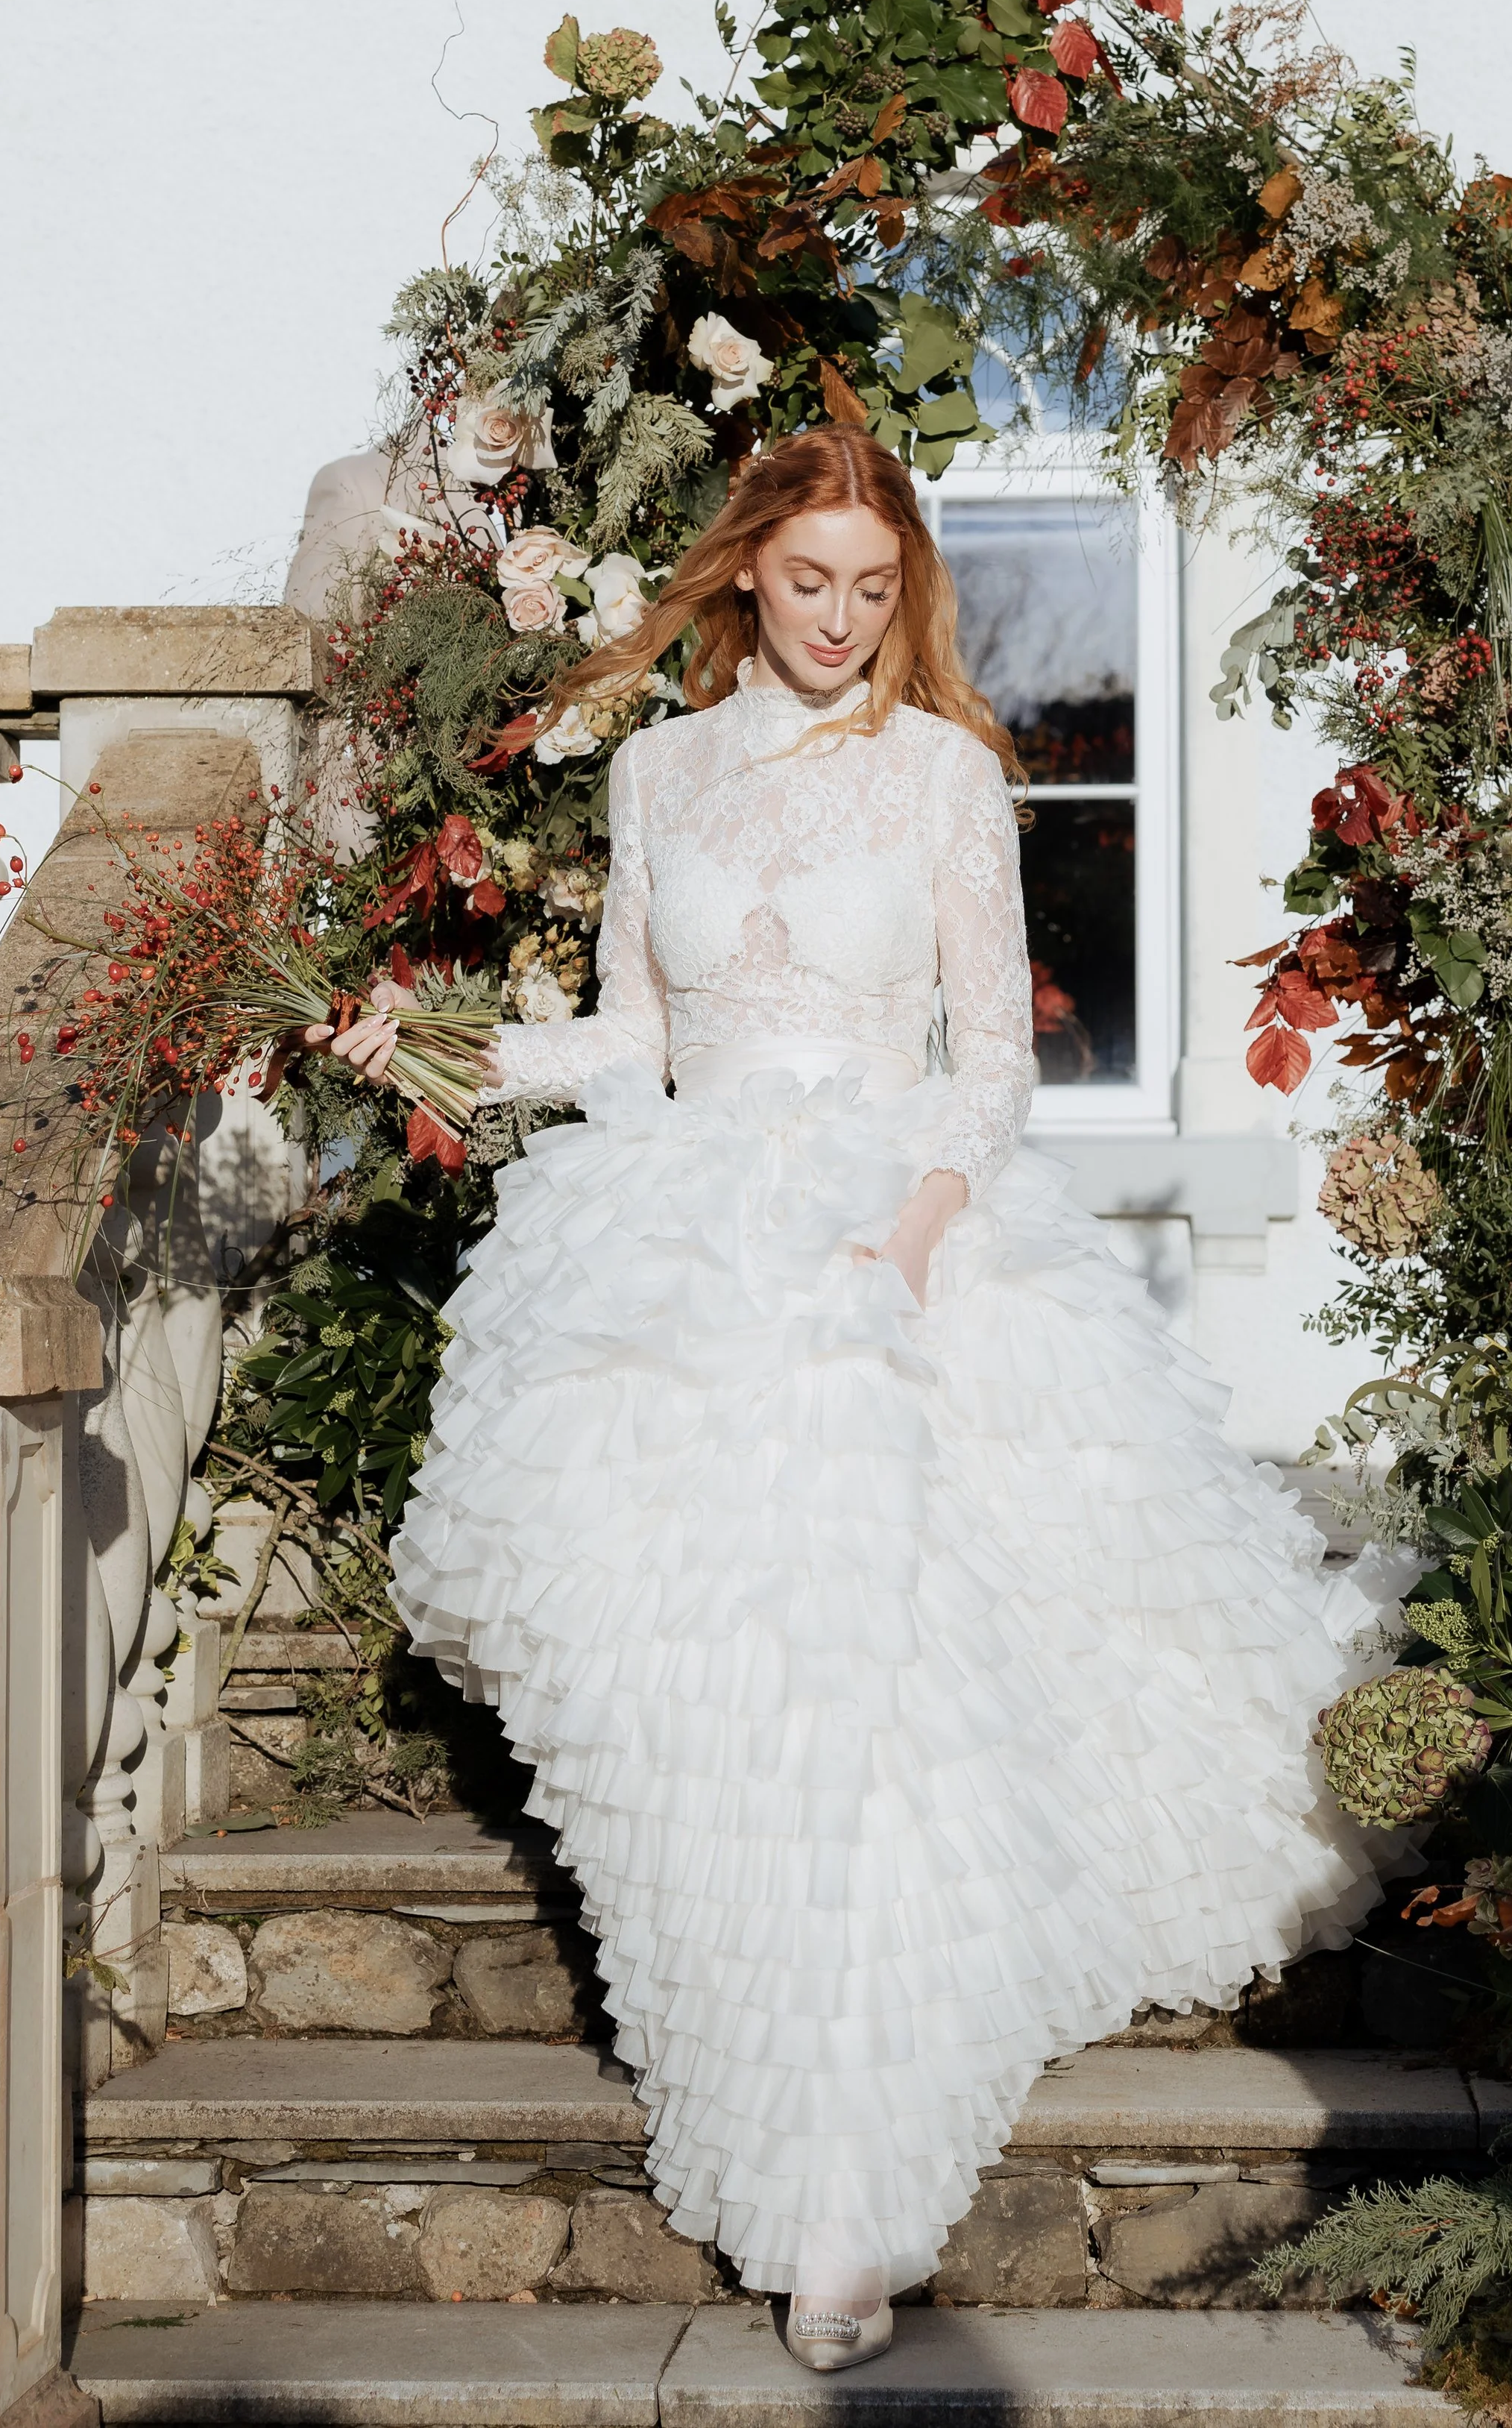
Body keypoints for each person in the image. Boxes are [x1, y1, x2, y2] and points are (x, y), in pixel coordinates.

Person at [315, 427, 1405, 2372]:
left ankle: (844, 2193)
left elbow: (990, 1062)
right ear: (746, 572)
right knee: (707, 1725)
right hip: (675, 1239)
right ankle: (748, 2032)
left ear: (902, 591)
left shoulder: (944, 781)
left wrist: (906, 1237)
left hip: (897, 1246)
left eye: (871, 589)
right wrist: (452, 1042)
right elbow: (636, 1043)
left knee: (870, 1711)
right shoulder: (659, 770)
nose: (838, 619)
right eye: (808, 581)